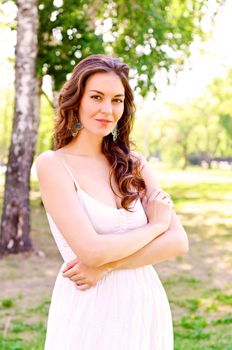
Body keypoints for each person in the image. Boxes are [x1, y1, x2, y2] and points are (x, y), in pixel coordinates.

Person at [36, 54, 188, 350]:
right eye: (96, 97)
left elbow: (179, 241)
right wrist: (156, 225)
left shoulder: (134, 164)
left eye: (117, 100)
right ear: (76, 100)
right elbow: (91, 252)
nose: (107, 109)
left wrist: (106, 267)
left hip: (143, 302)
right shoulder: (53, 164)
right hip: (89, 305)